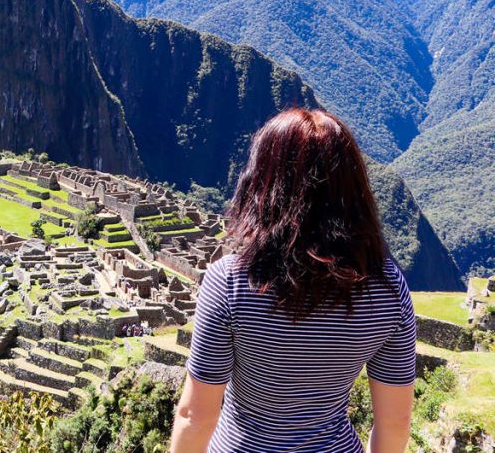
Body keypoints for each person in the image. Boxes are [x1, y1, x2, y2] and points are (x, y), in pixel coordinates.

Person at [169, 109, 416, 453]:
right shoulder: (388, 289)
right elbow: (394, 423)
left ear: (262, 182)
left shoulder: (231, 282)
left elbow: (196, 415)